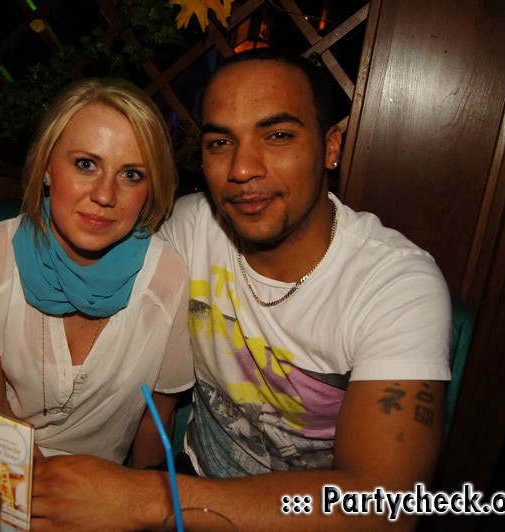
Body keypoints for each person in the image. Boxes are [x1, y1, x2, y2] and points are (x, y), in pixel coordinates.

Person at [30, 48, 451, 530]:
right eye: (220, 143)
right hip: (192, 485)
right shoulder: (189, 229)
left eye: (277, 136)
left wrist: (143, 497)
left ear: (331, 146)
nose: (243, 169)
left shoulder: (397, 286)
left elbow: (383, 507)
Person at [0, 78, 194, 468]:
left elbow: (156, 426)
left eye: (132, 174)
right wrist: (48, 488)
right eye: (86, 164)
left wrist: (138, 499)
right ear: (47, 167)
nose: (104, 195)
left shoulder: (168, 279)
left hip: (91, 479)